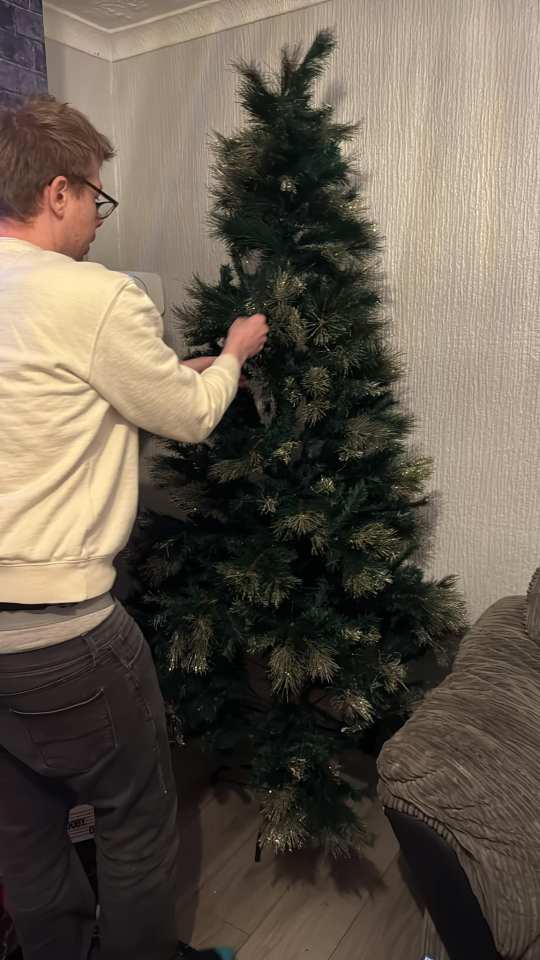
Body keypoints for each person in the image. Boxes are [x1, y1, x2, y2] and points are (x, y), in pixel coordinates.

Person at [0, 95, 268, 960]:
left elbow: (50, 408)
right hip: (65, 634)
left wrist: (163, 373)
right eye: (96, 201)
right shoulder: (95, 295)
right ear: (58, 192)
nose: (96, 222)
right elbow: (189, 417)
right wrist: (230, 355)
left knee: (25, 830)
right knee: (135, 820)